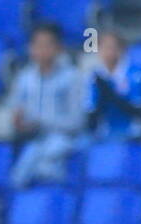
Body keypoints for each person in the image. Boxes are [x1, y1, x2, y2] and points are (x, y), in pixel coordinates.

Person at [7, 21, 85, 187]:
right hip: (31, 138)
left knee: (45, 154)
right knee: (33, 155)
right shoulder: (25, 78)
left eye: (47, 45)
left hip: (65, 139)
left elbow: (77, 122)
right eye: (37, 45)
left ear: (59, 48)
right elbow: (14, 110)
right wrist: (18, 122)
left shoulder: (72, 78)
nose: (41, 50)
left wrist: (41, 122)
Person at [87, 30, 141, 140]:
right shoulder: (94, 76)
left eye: (112, 47)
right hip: (103, 133)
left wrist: (110, 92)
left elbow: (139, 110)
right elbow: (91, 111)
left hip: (132, 132)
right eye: (103, 47)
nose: (107, 52)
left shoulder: (137, 75)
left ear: (122, 49)